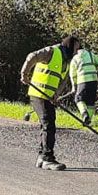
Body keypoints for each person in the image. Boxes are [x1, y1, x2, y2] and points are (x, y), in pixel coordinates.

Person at [21, 35, 79, 171]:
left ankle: (42, 157)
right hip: (38, 94)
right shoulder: (52, 51)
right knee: (48, 124)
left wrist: (56, 95)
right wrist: (25, 73)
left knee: (48, 124)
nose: (77, 51)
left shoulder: (67, 61)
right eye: (76, 48)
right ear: (69, 46)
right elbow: (32, 56)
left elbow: (62, 80)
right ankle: (47, 158)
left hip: (48, 97)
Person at [68, 46, 98, 125]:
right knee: (90, 102)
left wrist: (74, 86)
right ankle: (88, 121)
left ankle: (84, 114)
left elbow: (72, 75)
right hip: (93, 81)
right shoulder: (90, 54)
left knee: (78, 99)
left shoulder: (75, 58)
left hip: (82, 81)